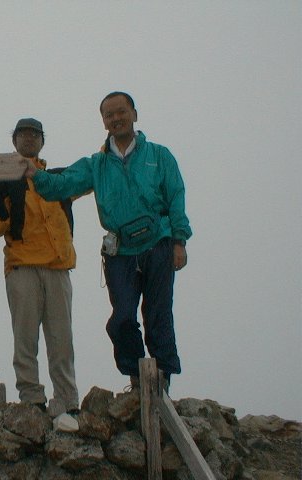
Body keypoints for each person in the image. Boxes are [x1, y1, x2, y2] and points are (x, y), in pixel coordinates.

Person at [25, 92, 192, 390]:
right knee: (123, 318)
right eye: (109, 115)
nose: (116, 118)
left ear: (135, 114)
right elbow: (61, 186)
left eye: (121, 111)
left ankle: (161, 382)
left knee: (159, 316)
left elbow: (176, 196)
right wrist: (34, 174)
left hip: (159, 243)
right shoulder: (96, 164)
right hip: (120, 250)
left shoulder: (159, 155)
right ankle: (137, 379)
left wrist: (180, 241)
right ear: (103, 122)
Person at [0, 118, 80, 414]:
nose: (29, 138)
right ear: (14, 140)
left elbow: (93, 178)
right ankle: (32, 397)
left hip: (57, 267)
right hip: (22, 266)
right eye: (23, 134)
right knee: (25, 336)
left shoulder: (57, 179)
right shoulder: (4, 181)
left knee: (61, 340)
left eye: (34, 134)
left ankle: (67, 399)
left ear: (42, 140)